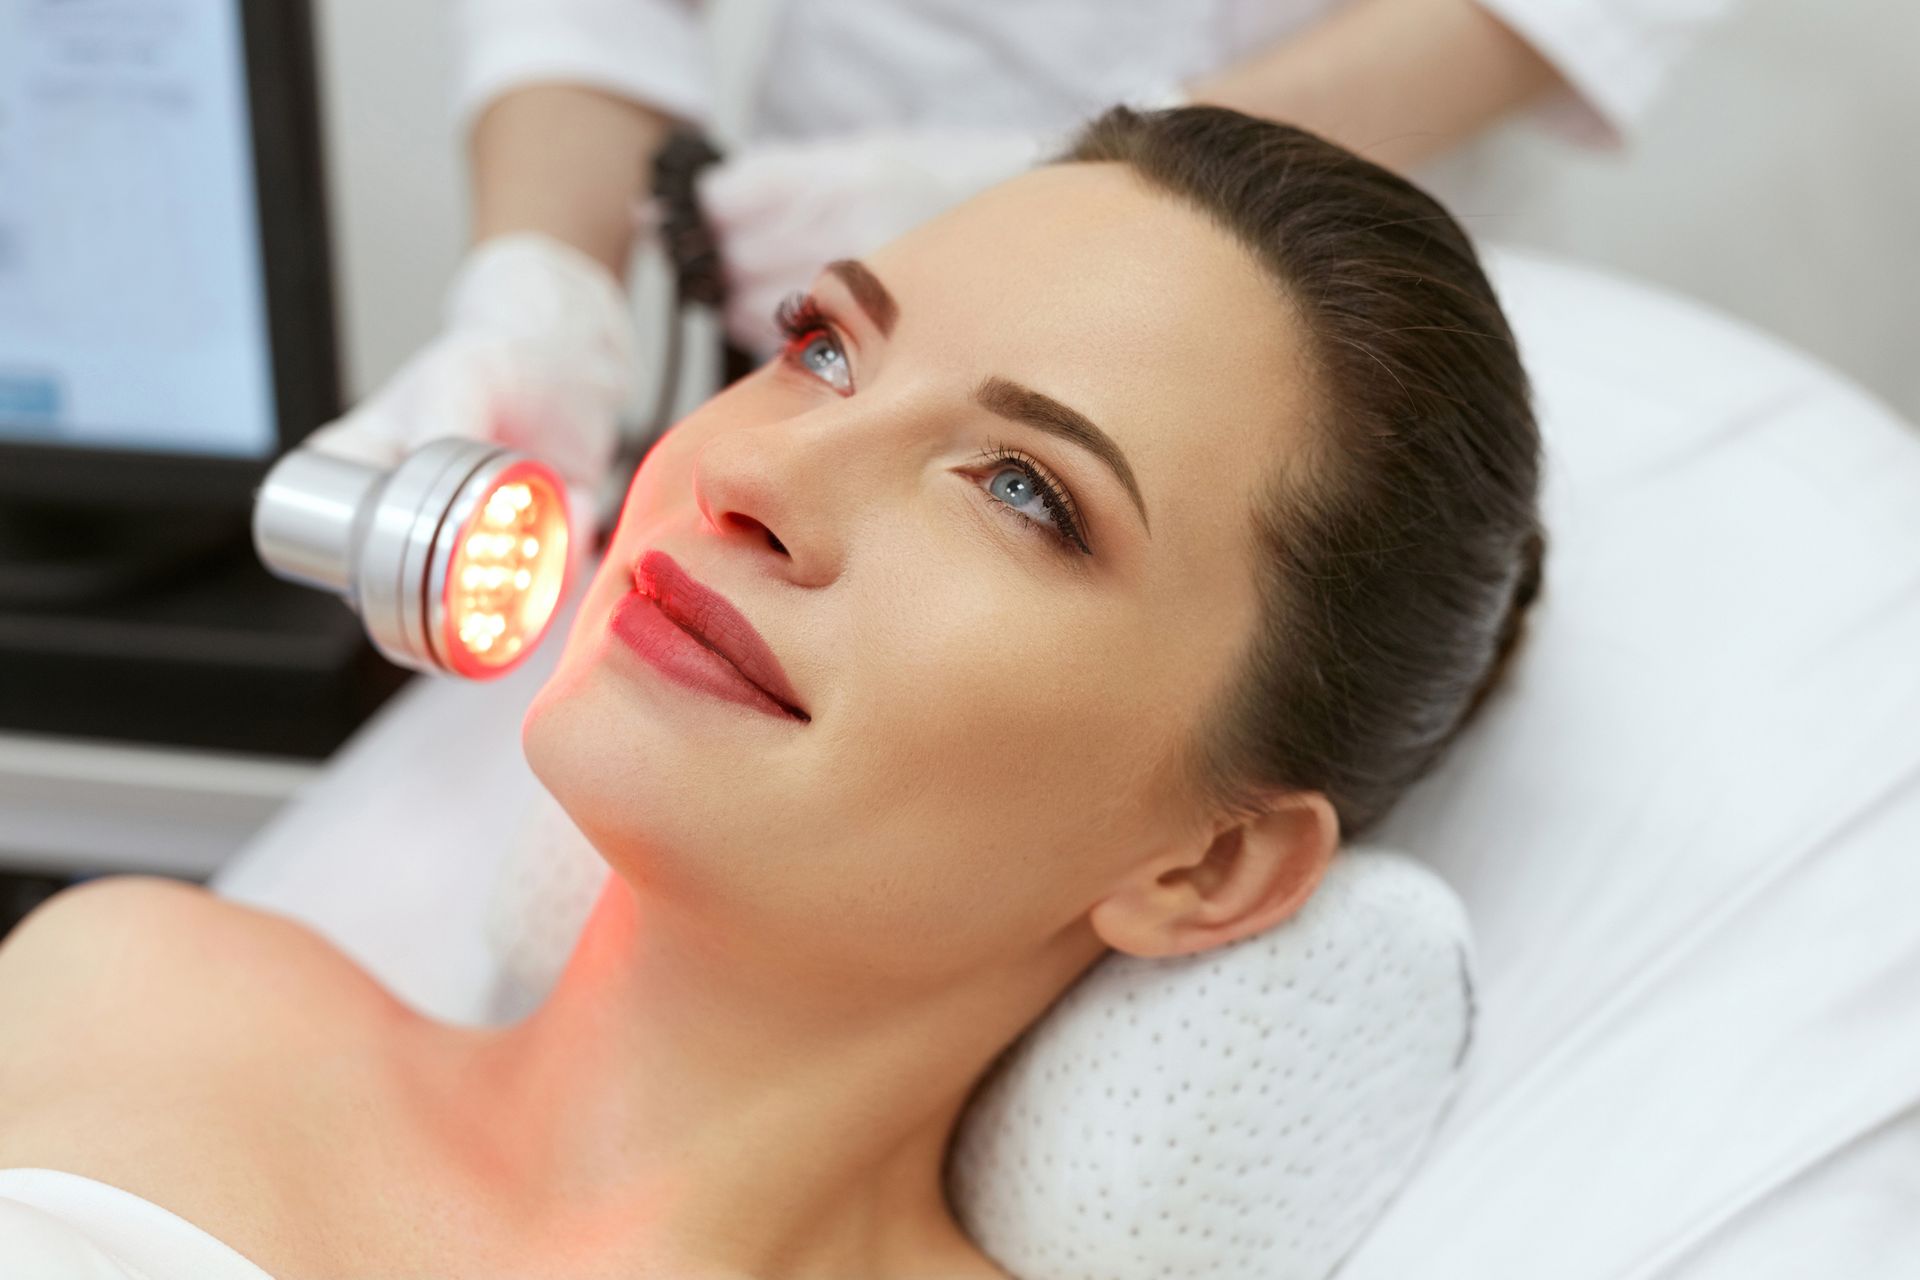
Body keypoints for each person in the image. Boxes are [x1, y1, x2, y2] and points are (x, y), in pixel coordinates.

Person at [0, 105, 1541, 1278]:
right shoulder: (131, 984)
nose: (753, 476)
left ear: (1208, 865)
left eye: (1018, 487)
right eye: (820, 350)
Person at [309, 0, 1731, 504]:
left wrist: (1069, 197)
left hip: (1294, 311)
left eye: (1033, 504)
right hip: (818, 280)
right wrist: (545, 292)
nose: (759, 526)